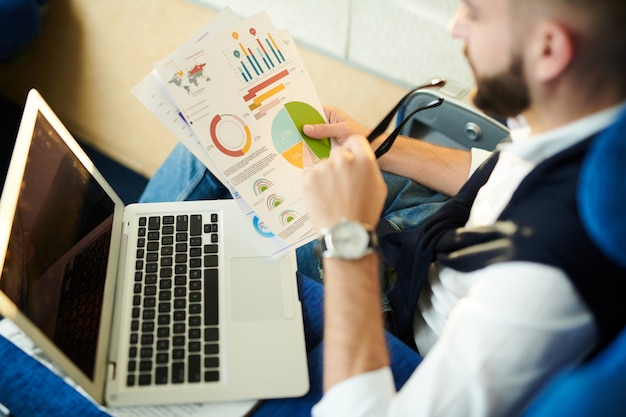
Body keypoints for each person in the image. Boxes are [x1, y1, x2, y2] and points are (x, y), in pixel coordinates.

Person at [139, 0, 626, 415]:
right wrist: (378, 146)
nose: (456, 25)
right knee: (223, 157)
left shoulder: (539, 288)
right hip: (439, 241)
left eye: (474, 14)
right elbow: (503, 171)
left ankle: (126, 327)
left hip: (401, 330)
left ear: (548, 51)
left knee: (212, 189)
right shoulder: (589, 127)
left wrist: (348, 234)